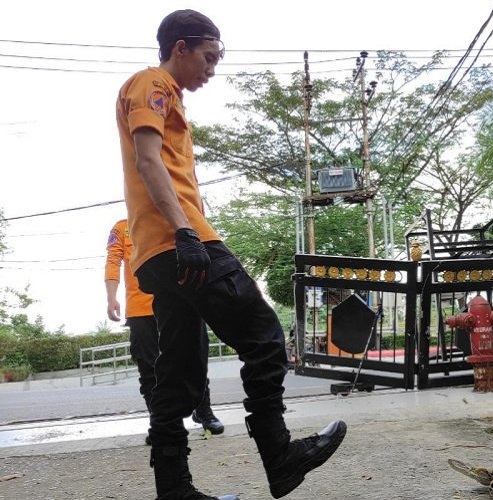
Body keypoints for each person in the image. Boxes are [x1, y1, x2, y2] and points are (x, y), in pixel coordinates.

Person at [115, 10, 346, 500]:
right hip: (181, 242)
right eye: (208, 57)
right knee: (264, 336)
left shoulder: (167, 94)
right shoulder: (152, 83)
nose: (212, 69)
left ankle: (174, 489)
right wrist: (186, 232)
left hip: (158, 252)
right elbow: (147, 158)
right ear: (181, 47)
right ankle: (280, 455)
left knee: (175, 373)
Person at [104, 218, 225, 443]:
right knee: (148, 366)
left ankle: (204, 411)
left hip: (181, 299)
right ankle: (164, 421)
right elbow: (113, 261)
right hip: (140, 308)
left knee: (193, 357)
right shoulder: (121, 228)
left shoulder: (173, 217)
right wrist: (111, 298)